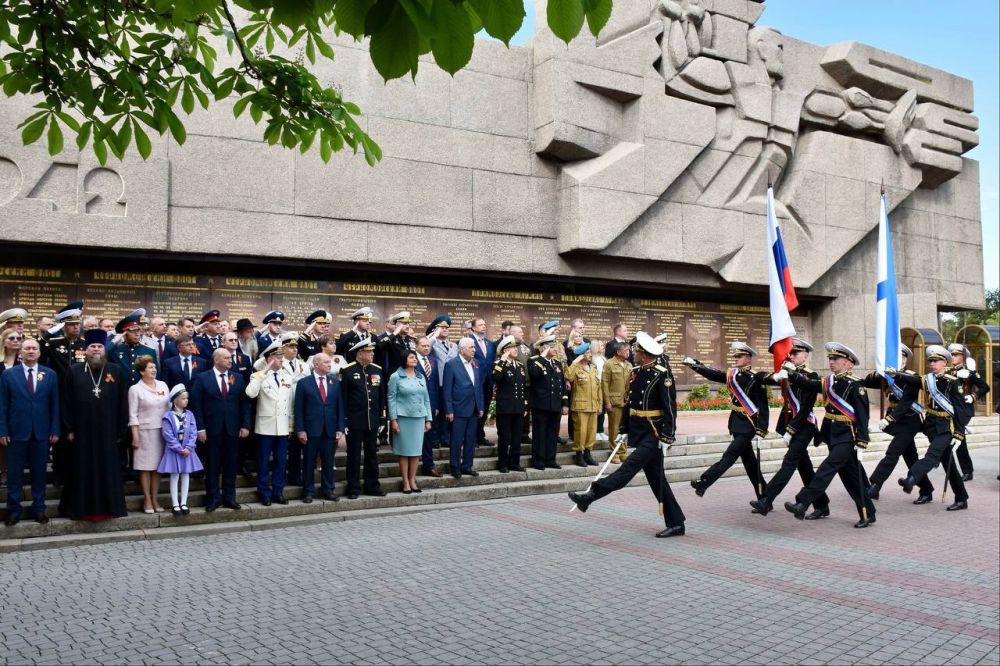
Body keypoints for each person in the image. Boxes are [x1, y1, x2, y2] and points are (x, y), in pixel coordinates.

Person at [569, 332, 685, 538]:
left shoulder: (662, 374)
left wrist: (668, 436)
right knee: (657, 480)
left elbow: (670, 409)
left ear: (645, 355)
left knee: (627, 469)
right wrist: (624, 428)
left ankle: (590, 496)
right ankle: (677, 523)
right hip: (640, 431)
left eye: (636, 351)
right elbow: (630, 403)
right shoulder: (637, 372)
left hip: (655, 434)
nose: (633, 354)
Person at [781, 342, 877, 528]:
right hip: (833, 435)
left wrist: (862, 440)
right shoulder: (829, 382)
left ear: (849, 363)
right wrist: (792, 374)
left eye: (836, 359)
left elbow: (863, 415)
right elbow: (809, 384)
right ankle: (869, 513)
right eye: (830, 359)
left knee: (827, 467)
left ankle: (802, 502)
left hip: (847, 436)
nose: (832, 362)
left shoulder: (856, 385)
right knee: (851, 478)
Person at [749, 339, 831, 517]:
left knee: (789, 463)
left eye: (795, 353)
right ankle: (822, 504)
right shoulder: (787, 373)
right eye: (791, 353)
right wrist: (776, 376)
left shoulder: (811, 376)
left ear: (805, 356)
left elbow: (806, 407)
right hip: (791, 426)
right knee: (805, 468)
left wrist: (791, 429)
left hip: (804, 426)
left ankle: (766, 500)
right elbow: (758, 377)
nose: (791, 356)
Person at [683, 342, 769, 501]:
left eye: (740, 356)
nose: (736, 358)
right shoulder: (732, 375)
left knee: (729, 456)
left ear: (748, 358)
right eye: (735, 356)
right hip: (736, 423)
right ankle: (765, 498)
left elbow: (763, 406)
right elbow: (713, 374)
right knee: (750, 463)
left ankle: (704, 482)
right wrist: (695, 365)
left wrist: (761, 430)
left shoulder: (755, 378)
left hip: (749, 425)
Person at [58, 328, 128, 521]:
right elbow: (66, 401)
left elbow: (123, 402)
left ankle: (108, 508)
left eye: (99, 346)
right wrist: (69, 428)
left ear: (104, 349)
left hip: (108, 431)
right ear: (86, 349)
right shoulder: (74, 371)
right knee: (82, 469)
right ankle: (81, 509)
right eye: (92, 346)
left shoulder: (115, 370)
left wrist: (121, 429)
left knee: (107, 469)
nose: (96, 349)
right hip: (82, 431)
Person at [891, 345, 970, 512]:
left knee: (932, 455)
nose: (932, 364)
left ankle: (912, 478)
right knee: (948, 464)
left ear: (945, 363)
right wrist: (896, 374)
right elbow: (913, 380)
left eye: (936, 361)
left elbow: (961, 409)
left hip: (946, 427)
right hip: (932, 425)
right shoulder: (929, 379)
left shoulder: (952, 382)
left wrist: (959, 432)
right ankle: (961, 497)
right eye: (931, 361)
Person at [860, 344, 934, 504]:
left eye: (902, 357)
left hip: (909, 421)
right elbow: (867, 382)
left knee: (892, 453)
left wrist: (889, 419)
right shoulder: (888, 376)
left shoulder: (912, 377)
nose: (899, 360)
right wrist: (878, 371)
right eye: (895, 357)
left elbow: (906, 402)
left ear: (906, 360)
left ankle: (875, 486)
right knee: (911, 458)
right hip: (898, 422)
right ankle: (927, 489)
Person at [0, 337, 59, 525]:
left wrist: (55, 429)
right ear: (21, 352)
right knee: (15, 474)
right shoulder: (9, 375)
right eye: (27, 349)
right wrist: (2, 431)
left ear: (39, 352)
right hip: (15, 433)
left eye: (34, 348)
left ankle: (39, 509)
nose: (31, 351)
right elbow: (2, 405)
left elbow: (54, 405)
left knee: (39, 474)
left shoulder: (50, 374)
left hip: (41, 433)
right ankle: (13, 511)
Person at [190, 348, 251, 512]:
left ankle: (230, 497)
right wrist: (200, 428)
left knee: (231, 464)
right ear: (216, 360)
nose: (230, 360)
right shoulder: (203, 378)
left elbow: (244, 403)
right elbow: (196, 405)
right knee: (213, 465)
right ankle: (213, 498)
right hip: (212, 429)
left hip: (233, 428)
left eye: (230, 358)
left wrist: (245, 425)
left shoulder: (237, 378)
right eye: (226, 358)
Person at [245, 341, 295, 505]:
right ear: (269, 358)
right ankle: (263, 492)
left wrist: (290, 425)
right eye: (278, 357)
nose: (282, 360)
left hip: (282, 427)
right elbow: (250, 393)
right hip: (265, 427)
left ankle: (278, 492)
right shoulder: (258, 376)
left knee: (281, 461)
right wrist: (264, 372)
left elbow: (290, 403)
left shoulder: (287, 377)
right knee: (264, 461)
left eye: (281, 357)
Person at [294, 353, 345, 503]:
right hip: (311, 429)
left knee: (328, 462)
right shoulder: (304, 383)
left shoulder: (335, 382)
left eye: (330, 362)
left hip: (330, 429)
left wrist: (340, 428)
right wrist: (300, 429)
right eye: (326, 362)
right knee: (309, 462)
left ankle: (328, 490)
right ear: (316, 364)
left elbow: (339, 407)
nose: (330, 365)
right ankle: (308, 491)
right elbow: (298, 409)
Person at [340, 339, 386, 498]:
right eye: (369, 351)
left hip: (372, 420)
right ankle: (353, 488)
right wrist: (344, 420)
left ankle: (372, 486)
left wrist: (382, 418)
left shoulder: (377, 370)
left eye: (372, 351)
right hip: (354, 421)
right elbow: (343, 398)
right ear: (360, 353)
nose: (372, 354)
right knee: (353, 455)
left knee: (372, 454)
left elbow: (381, 396)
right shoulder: (347, 371)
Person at [127, 355, 170, 514]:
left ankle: (155, 497)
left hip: (162, 431)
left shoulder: (163, 385)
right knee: (145, 467)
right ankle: (147, 499)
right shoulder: (135, 389)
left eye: (154, 367)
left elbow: (169, 407)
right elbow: (133, 415)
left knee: (158, 467)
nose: (154, 370)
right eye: (150, 368)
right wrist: (135, 436)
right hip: (144, 432)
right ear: (141, 371)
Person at [388, 350, 433, 493]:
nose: (415, 359)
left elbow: (426, 399)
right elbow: (391, 399)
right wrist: (393, 419)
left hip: (419, 418)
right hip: (403, 418)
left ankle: (413, 479)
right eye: (411, 357)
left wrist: (428, 419)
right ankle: (405, 481)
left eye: (415, 358)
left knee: (415, 451)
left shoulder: (420, 376)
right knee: (404, 451)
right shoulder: (396, 376)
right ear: (404, 359)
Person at [443, 338, 485, 478]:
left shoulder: (476, 363)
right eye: (471, 347)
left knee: (470, 440)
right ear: (462, 350)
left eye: (474, 347)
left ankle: (467, 466)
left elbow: (478, 387)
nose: (474, 350)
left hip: (473, 408)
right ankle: (455, 466)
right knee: (456, 440)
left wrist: (480, 406)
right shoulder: (451, 364)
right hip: (458, 408)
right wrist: (449, 409)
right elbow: (447, 389)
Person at [158, 384, 203, 515]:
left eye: (187, 398)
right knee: (174, 475)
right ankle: (175, 503)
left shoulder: (190, 415)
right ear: (175, 400)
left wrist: (189, 447)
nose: (186, 400)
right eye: (183, 398)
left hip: (187, 451)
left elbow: (193, 432)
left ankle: (184, 502)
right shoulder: (168, 416)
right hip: (174, 452)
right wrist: (178, 448)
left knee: (185, 474)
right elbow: (168, 434)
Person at [948, 343, 989, 481]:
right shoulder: (948, 372)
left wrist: (973, 396)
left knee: (958, 438)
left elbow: (985, 387)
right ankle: (964, 469)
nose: (953, 357)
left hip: (964, 410)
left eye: (956, 355)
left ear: (963, 357)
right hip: (950, 409)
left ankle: (967, 470)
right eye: (952, 355)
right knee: (954, 438)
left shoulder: (970, 373)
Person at [528, 333, 568, 470]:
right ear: (544, 348)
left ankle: (551, 459)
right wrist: (543, 357)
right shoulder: (534, 361)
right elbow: (534, 373)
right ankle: (538, 460)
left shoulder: (557, 364)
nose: (555, 349)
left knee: (553, 433)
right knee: (540, 433)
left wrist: (564, 403)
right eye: (552, 347)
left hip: (555, 404)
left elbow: (561, 385)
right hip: (540, 404)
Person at [492, 335, 527, 473]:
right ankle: (502, 463)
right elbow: (496, 377)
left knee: (517, 437)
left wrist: (524, 404)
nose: (516, 349)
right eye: (512, 348)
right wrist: (502, 360)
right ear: (505, 350)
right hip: (505, 408)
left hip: (518, 407)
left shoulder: (519, 365)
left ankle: (514, 463)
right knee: (505, 437)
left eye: (516, 347)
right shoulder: (499, 364)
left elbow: (523, 387)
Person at [567, 341, 601, 467]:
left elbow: (598, 388)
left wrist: (600, 404)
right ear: (581, 355)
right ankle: (579, 455)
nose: (590, 354)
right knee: (580, 432)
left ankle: (588, 454)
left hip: (593, 405)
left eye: (590, 352)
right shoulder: (576, 367)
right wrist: (574, 362)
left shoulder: (593, 368)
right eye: (587, 352)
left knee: (591, 432)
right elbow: (568, 376)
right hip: (580, 406)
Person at [413, 336, 442, 477]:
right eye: (423, 345)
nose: (426, 348)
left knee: (429, 436)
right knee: (415, 437)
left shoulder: (433, 361)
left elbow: (435, 384)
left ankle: (428, 465)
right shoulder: (412, 360)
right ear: (416, 346)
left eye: (428, 346)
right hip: (416, 405)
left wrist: (435, 405)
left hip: (430, 405)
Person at [429, 315, 457, 449]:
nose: (445, 330)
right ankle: (435, 438)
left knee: (447, 411)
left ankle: (445, 437)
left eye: (446, 328)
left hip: (451, 383)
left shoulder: (453, 345)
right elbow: (425, 347)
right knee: (437, 411)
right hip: (438, 383)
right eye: (442, 327)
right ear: (435, 329)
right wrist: (434, 335)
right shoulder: (432, 342)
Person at [602, 340, 632, 463]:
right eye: (626, 350)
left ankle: (623, 451)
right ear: (618, 352)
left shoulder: (629, 365)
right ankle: (615, 452)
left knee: (624, 427)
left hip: (626, 402)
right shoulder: (609, 364)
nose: (628, 352)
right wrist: (607, 402)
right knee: (614, 428)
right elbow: (604, 384)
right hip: (614, 401)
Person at [467, 318, 495, 446]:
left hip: (488, 381)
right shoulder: (468, 341)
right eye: (480, 325)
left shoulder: (490, 343)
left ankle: (480, 435)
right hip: (475, 380)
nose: (484, 326)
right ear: (473, 328)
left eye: (484, 324)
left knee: (485, 408)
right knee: (475, 409)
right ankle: (471, 438)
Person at [109, 314, 156, 386]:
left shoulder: (149, 351)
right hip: (122, 389)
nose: (137, 334)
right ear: (124, 333)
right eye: (133, 331)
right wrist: (113, 343)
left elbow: (155, 375)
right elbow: (103, 355)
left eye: (138, 330)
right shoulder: (115, 350)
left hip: (142, 390)